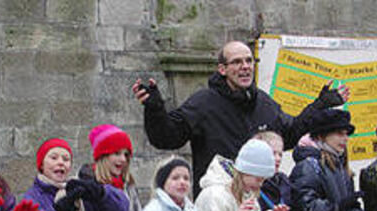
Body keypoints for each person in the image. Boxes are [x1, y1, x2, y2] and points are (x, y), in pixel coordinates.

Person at [132, 40, 350, 196]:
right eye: (237, 62)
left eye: (248, 61)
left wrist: (321, 105)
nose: (245, 67)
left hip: (260, 203)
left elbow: (290, 135)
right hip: (220, 203)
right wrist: (154, 108)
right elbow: (166, 137)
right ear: (222, 69)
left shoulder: (263, 103)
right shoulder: (204, 103)